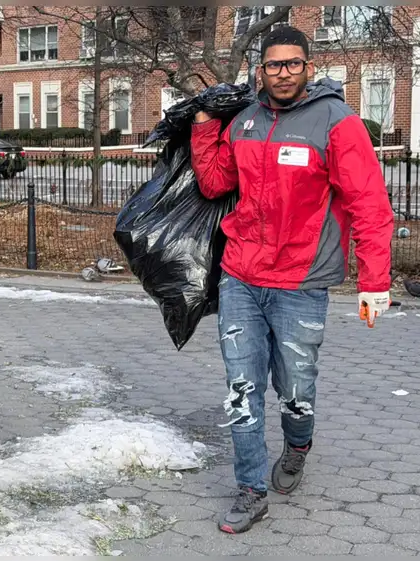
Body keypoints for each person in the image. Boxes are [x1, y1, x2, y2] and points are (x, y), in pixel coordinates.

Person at [190, 27, 394, 534]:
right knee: (242, 387)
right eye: (274, 65)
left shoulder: (337, 123)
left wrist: (374, 282)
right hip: (240, 275)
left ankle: (298, 442)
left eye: (293, 64)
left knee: (296, 389)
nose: (282, 73)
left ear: (308, 66)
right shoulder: (246, 120)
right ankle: (250, 489)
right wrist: (201, 127)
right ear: (261, 70)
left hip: (301, 283)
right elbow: (217, 183)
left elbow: (369, 205)